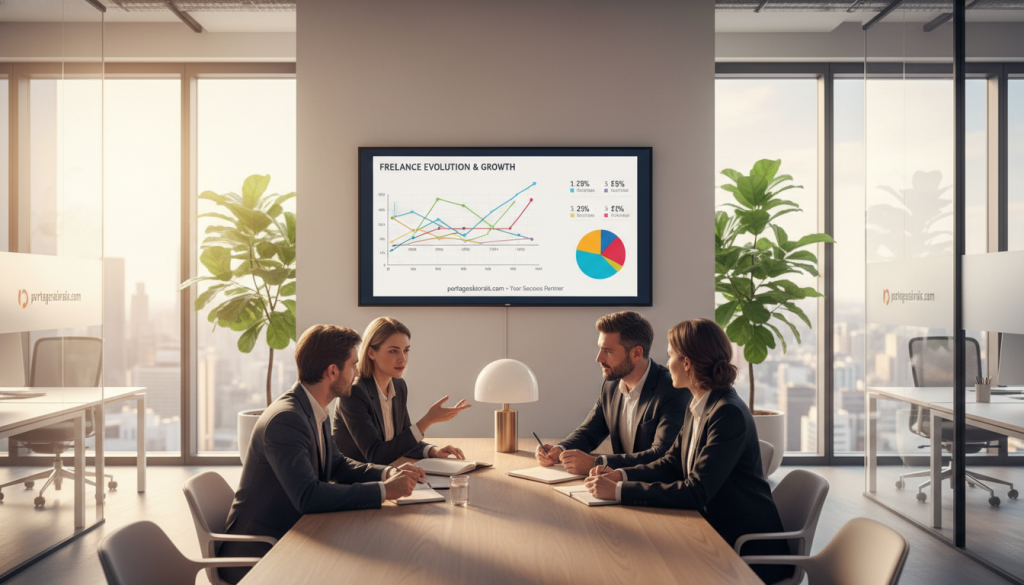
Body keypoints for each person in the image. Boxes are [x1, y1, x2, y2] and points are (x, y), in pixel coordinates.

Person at [584, 318, 792, 584]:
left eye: (670, 355)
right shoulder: (701, 404)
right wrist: (620, 476)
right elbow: (671, 463)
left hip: (740, 548)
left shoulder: (726, 413)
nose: (666, 362)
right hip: (711, 529)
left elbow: (696, 491)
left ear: (687, 363)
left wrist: (617, 492)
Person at [218, 324, 425, 584]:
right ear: (332, 371)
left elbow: (337, 464)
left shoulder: (314, 408)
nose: (358, 372)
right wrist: (384, 491)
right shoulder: (286, 419)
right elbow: (308, 496)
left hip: (298, 534)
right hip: (264, 552)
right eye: (353, 364)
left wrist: (387, 472)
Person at [535, 311, 689, 474]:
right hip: (615, 485)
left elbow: (662, 455)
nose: (599, 358)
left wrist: (598, 463)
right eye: (600, 349)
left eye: (608, 351)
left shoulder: (673, 389)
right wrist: (560, 450)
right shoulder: (612, 385)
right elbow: (589, 433)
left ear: (636, 353)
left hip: (652, 490)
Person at [332, 317, 471, 464]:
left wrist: (433, 451)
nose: (402, 359)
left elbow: (402, 441)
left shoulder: (399, 386)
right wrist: (427, 420)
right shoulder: (355, 392)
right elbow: (376, 456)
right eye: (393, 351)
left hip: (386, 474)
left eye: (406, 350)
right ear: (371, 353)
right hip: (356, 481)